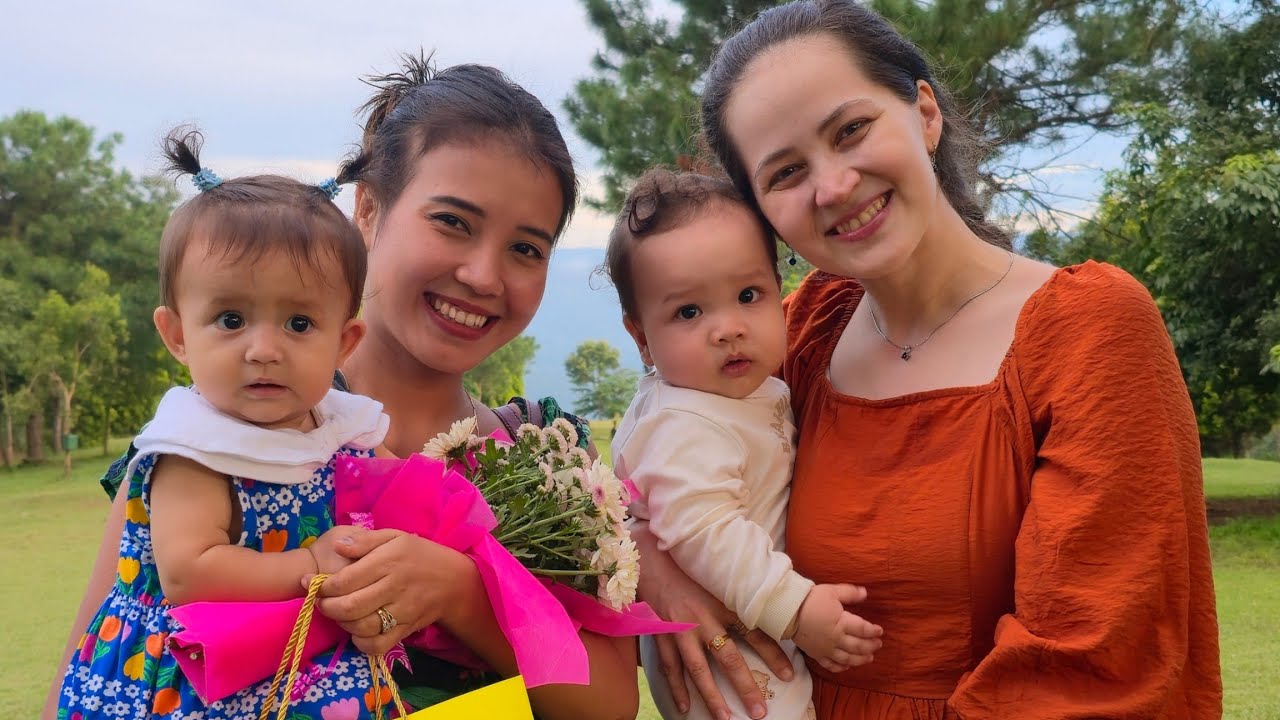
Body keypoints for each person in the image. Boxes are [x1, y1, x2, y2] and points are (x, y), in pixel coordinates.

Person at [634, 1, 1224, 718]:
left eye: (851, 130)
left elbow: (1100, 660)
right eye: (786, 173)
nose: (833, 186)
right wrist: (654, 568)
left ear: (924, 111)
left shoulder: (1088, 328)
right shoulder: (801, 338)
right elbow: (660, 445)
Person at [44, 56, 640, 720]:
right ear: (369, 211)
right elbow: (90, 679)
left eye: (527, 249)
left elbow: (608, 704)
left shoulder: (545, 459)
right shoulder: (213, 442)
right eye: (452, 222)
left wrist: (460, 595)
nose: (481, 274)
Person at [56, 129, 391, 718]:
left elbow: (401, 489)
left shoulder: (338, 424)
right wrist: (310, 567)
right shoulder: (193, 447)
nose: (263, 349)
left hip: (295, 660)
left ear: (345, 341)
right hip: (189, 675)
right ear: (178, 335)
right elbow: (191, 572)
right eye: (231, 318)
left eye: (299, 324)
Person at [605, 169, 883, 720]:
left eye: (748, 295)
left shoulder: (743, 392)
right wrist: (798, 609)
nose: (728, 328)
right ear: (640, 337)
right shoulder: (683, 423)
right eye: (689, 311)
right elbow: (706, 528)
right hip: (736, 657)